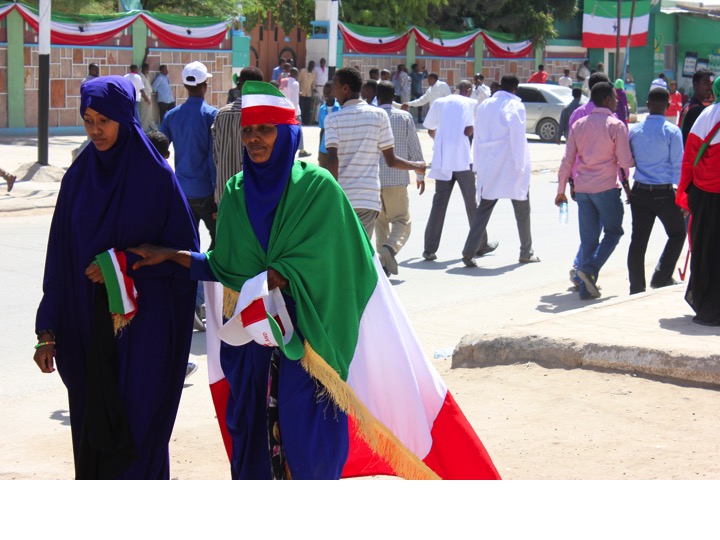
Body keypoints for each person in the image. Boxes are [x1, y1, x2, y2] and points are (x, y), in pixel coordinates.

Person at [127, 81, 501, 480]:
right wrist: (171, 255)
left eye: (265, 129)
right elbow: (226, 267)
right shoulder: (235, 192)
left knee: (309, 448)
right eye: (248, 130)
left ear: (287, 133)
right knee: (256, 448)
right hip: (255, 347)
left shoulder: (318, 189)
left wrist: (287, 275)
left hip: (309, 344)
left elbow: (348, 265)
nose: (253, 139)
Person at [32, 75, 199, 479]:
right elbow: (60, 260)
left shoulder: (157, 179)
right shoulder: (77, 181)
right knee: (94, 434)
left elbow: (183, 257)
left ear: (125, 118)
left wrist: (120, 264)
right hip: (87, 330)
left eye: (104, 121)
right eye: (88, 121)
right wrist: (47, 331)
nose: (95, 131)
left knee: (140, 431)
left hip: (143, 334)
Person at [324, 67, 426, 239]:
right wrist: (416, 166)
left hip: (343, 198)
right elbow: (391, 160)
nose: (333, 92)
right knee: (361, 249)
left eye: (335, 87)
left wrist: (331, 194)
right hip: (368, 199)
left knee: (343, 248)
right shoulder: (379, 116)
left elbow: (333, 159)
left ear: (345, 88)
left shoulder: (332, 119)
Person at [556, 82, 634, 300]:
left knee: (589, 240)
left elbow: (567, 160)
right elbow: (625, 162)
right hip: (606, 188)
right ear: (607, 100)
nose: (617, 101)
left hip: (583, 189)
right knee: (613, 232)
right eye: (615, 97)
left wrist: (561, 190)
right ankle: (589, 270)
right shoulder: (616, 125)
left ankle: (585, 288)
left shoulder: (578, 125)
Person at [161, 61, 218, 324]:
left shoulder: (171, 116)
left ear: (185, 85)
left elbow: (160, 152)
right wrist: (218, 195)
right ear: (205, 85)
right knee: (219, 244)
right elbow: (214, 159)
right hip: (207, 193)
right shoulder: (212, 115)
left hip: (182, 193)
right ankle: (200, 298)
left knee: (186, 248)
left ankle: (188, 300)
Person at [462, 74, 538, 267]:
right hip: (510, 165)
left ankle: (469, 251)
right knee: (522, 209)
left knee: (484, 208)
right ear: (515, 89)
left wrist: (477, 164)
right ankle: (526, 251)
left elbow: (477, 137)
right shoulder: (515, 105)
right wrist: (520, 166)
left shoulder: (485, 105)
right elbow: (518, 138)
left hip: (489, 165)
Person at [422, 80, 497, 262]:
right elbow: (468, 130)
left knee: (439, 203)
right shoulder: (470, 103)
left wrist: (441, 139)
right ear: (469, 90)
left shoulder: (440, 102)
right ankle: (480, 244)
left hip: (442, 160)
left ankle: (429, 249)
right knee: (472, 203)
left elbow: (430, 128)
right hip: (462, 160)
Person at [626, 87, 685, 295]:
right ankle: (661, 277)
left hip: (640, 191)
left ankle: (636, 288)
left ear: (648, 105)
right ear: (668, 106)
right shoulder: (672, 131)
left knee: (638, 241)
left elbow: (628, 161)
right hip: (664, 193)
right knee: (678, 233)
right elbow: (678, 166)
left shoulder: (634, 131)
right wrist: (682, 196)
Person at [675, 77, 720, 326]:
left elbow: (690, 155)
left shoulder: (707, 115)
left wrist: (683, 192)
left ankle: (708, 308)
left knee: (705, 248)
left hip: (706, 194)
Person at [375, 81, 425, 276]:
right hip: (396, 177)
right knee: (402, 221)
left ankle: (383, 267)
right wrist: (420, 174)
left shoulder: (372, 116)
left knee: (380, 224)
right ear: (394, 97)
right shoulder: (404, 117)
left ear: (377, 97)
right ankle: (389, 249)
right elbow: (414, 149)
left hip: (374, 179)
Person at [212, 67, 264, 204]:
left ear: (239, 86)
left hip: (224, 193)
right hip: (250, 195)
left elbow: (215, 154)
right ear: (261, 87)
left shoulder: (221, 114)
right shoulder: (262, 117)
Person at [281, 67, 311, 158]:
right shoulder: (295, 83)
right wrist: (295, 113)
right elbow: (295, 100)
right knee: (299, 130)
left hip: (284, 110)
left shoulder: (283, 81)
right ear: (296, 75)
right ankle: (301, 150)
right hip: (293, 111)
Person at [679, 68, 715, 144]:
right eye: (706, 83)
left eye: (712, 84)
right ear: (696, 85)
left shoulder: (690, 105)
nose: (710, 87)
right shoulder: (696, 110)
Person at [317, 82, 341, 170]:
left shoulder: (340, 108)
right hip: (323, 149)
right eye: (325, 92)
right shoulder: (322, 109)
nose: (326, 95)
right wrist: (319, 150)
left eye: (329, 92)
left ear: (334, 92)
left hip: (336, 149)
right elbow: (322, 130)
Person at [138, 63, 157, 132]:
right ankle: (142, 131)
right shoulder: (141, 77)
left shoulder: (146, 76)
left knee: (149, 116)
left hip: (148, 97)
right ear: (145, 69)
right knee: (145, 116)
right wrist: (146, 99)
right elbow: (141, 89)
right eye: (147, 69)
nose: (148, 70)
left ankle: (155, 130)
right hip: (145, 99)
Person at [297, 60, 316, 125]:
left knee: (308, 108)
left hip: (309, 93)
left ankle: (306, 121)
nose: (312, 67)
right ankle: (301, 121)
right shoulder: (303, 71)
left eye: (313, 66)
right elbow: (298, 80)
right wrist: (298, 90)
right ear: (309, 65)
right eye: (311, 65)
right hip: (302, 93)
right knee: (302, 107)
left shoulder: (313, 73)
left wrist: (314, 89)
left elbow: (313, 83)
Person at [312, 58, 329, 123]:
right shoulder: (316, 69)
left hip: (325, 87)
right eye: (321, 62)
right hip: (318, 87)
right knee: (318, 103)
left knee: (325, 103)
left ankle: (323, 119)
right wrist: (314, 87)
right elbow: (313, 78)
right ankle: (316, 119)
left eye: (323, 62)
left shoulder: (327, 69)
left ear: (325, 63)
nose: (322, 63)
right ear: (320, 62)